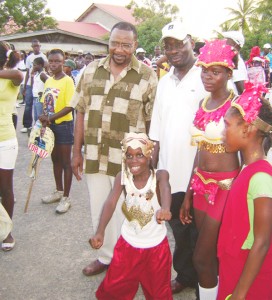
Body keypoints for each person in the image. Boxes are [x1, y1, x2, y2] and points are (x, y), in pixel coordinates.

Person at [71, 21, 158, 277]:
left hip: (130, 161)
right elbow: (80, 112)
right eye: (114, 43)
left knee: (129, 209)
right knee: (100, 207)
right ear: (107, 43)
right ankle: (107, 257)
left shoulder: (147, 76)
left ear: (135, 45)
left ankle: (128, 260)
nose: (119, 49)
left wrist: (150, 160)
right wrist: (76, 152)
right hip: (96, 155)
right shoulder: (89, 71)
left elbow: (154, 121)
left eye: (125, 44)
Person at [179, 39, 240, 300]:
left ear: (229, 73)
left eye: (215, 71)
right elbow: (200, 151)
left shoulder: (238, 106)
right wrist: (189, 193)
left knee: (202, 257)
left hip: (227, 189)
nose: (207, 76)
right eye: (205, 70)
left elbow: (251, 151)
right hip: (201, 187)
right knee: (210, 256)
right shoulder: (203, 105)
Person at [149, 21, 207, 295]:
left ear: (191, 43)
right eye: (168, 46)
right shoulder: (163, 82)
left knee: (200, 232)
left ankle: (206, 280)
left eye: (178, 44)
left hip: (201, 172)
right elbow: (157, 128)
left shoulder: (207, 77)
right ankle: (185, 275)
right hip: (169, 173)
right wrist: (154, 163)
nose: (173, 50)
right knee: (178, 229)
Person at [91, 132, 172, 299]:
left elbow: (165, 189)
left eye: (139, 155)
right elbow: (110, 203)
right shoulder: (123, 177)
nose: (134, 161)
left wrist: (165, 208)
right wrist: (100, 231)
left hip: (156, 248)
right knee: (115, 288)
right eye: (129, 156)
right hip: (128, 245)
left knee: (159, 292)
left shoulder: (160, 176)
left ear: (149, 155)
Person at [217, 82, 272, 300]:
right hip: (235, 266)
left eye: (227, 125)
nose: (222, 132)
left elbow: (262, 241)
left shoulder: (261, 178)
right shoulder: (246, 168)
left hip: (249, 279)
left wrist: (240, 293)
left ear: (247, 129)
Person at [39, 48, 75, 214]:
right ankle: (58, 191)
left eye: (57, 62)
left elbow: (70, 106)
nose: (53, 64)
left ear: (63, 62)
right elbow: (46, 103)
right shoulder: (49, 80)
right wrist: (44, 118)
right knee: (55, 161)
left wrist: (51, 118)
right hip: (51, 126)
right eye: (51, 61)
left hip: (64, 126)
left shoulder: (67, 81)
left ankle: (66, 198)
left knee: (66, 162)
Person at [0, 41, 24, 251]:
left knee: (5, 188)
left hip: (5, 140)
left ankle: (7, 231)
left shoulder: (10, 76)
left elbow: (19, 77)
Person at [20, 39, 47, 133]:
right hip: (29, 83)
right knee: (28, 105)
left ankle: (38, 127)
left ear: (40, 46)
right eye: (34, 46)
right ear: (31, 47)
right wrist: (24, 86)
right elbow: (28, 72)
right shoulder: (29, 58)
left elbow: (46, 70)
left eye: (37, 46)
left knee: (38, 108)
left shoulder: (43, 57)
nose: (36, 48)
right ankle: (27, 125)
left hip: (39, 83)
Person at [32, 57, 48, 122]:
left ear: (40, 65)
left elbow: (49, 84)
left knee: (40, 117)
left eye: (35, 65)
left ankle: (40, 131)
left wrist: (44, 93)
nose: (33, 67)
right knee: (36, 117)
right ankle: (36, 131)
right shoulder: (37, 74)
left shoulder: (43, 75)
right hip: (35, 98)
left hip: (40, 98)